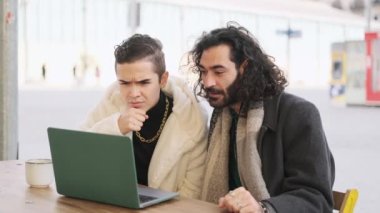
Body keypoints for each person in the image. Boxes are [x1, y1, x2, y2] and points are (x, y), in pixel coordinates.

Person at [189, 23, 335, 212]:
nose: (207, 82)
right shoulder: (223, 114)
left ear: (245, 68)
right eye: (203, 71)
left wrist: (263, 208)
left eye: (218, 72)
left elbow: (317, 199)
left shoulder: (298, 114)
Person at [80, 34, 208, 199]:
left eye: (143, 83)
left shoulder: (192, 120)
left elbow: (191, 197)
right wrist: (116, 127)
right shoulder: (111, 102)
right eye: (124, 83)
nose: (133, 94)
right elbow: (79, 158)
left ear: (163, 80)